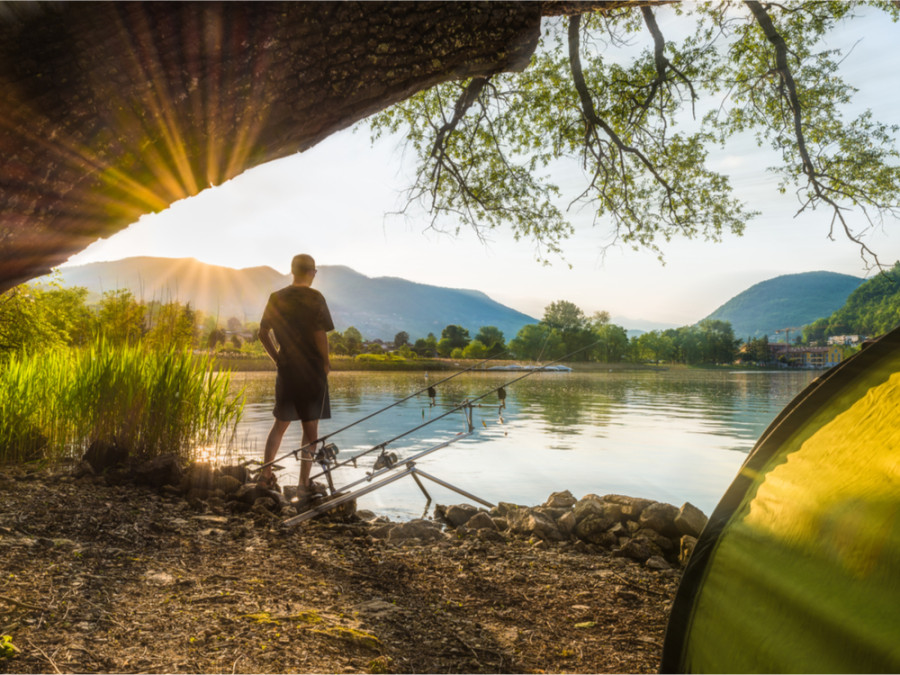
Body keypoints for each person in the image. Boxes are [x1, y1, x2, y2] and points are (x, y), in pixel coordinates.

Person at [258, 253, 333, 499]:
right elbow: (319, 334)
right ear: (311, 272)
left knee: (280, 424)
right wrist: (326, 363)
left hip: (287, 369)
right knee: (310, 428)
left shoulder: (276, 297)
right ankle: (303, 484)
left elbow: (262, 333)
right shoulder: (315, 298)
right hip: (311, 370)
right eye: (314, 272)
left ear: (292, 271)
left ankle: (265, 476)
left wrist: (277, 358)